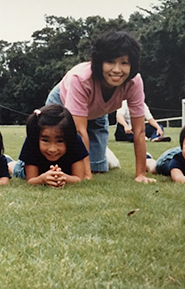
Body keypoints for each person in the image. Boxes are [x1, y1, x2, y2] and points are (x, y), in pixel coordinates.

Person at [45, 31, 155, 183]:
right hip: (62, 103)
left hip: (97, 112)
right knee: (61, 165)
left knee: (97, 168)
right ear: (99, 62)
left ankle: (103, 155)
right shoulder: (81, 79)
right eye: (110, 61)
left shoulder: (134, 82)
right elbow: (79, 131)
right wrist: (86, 175)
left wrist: (141, 174)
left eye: (124, 63)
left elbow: (139, 131)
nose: (117, 70)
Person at [8, 104, 89, 187]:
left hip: (64, 171)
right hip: (28, 169)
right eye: (45, 140)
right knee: (17, 169)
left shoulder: (75, 141)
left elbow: (79, 178)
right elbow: (31, 180)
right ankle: (8, 161)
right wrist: (42, 179)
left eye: (59, 141)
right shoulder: (32, 141)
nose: (52, 149)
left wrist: (63, 177)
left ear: (69, 138)